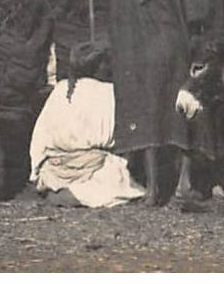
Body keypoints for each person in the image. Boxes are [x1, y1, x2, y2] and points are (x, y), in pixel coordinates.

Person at [107, 0, 210, 205]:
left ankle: (152, 188)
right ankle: (183, 183)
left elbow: (116, 8)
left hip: (136, 48)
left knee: (148, 112)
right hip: (172, 45)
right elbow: (199, 10)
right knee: (181, 109)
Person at [28, 41, 145, 208]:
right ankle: (82, 191)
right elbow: (119, 138)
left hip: (56, 167)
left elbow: (40, 137)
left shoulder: (60, 89)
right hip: (93, 166)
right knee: (118, 180)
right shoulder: (109, 91)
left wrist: (36, 173)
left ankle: (62, 190)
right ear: (100, 67)